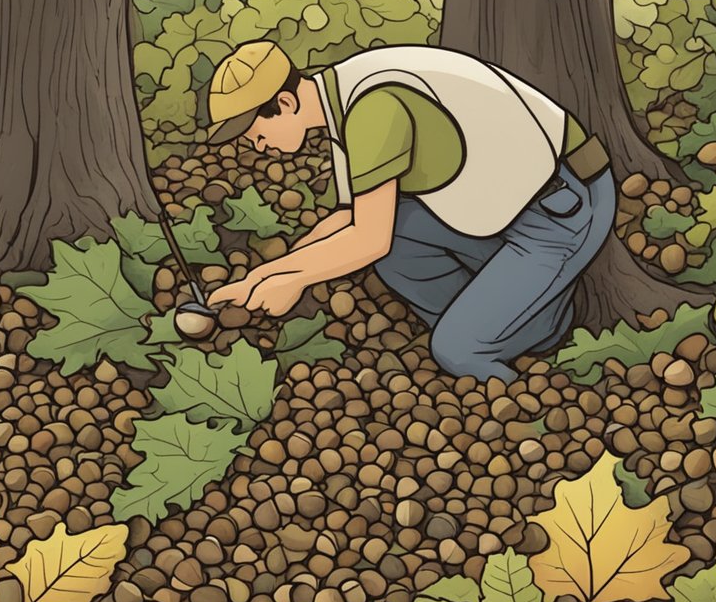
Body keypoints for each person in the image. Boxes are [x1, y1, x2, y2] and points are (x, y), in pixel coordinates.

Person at [204, 40, 615, 383]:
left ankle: (527, 395)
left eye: (256, 133)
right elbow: (351, 219)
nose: (257, 146)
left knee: (456, 350)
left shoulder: (372, 107)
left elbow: (367, 238)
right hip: (510, 208)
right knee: (400, 245)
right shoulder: (342, 97)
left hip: (562, 206)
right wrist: (264, 276)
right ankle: (530, 320)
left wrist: (294, 283)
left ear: (285, 101)